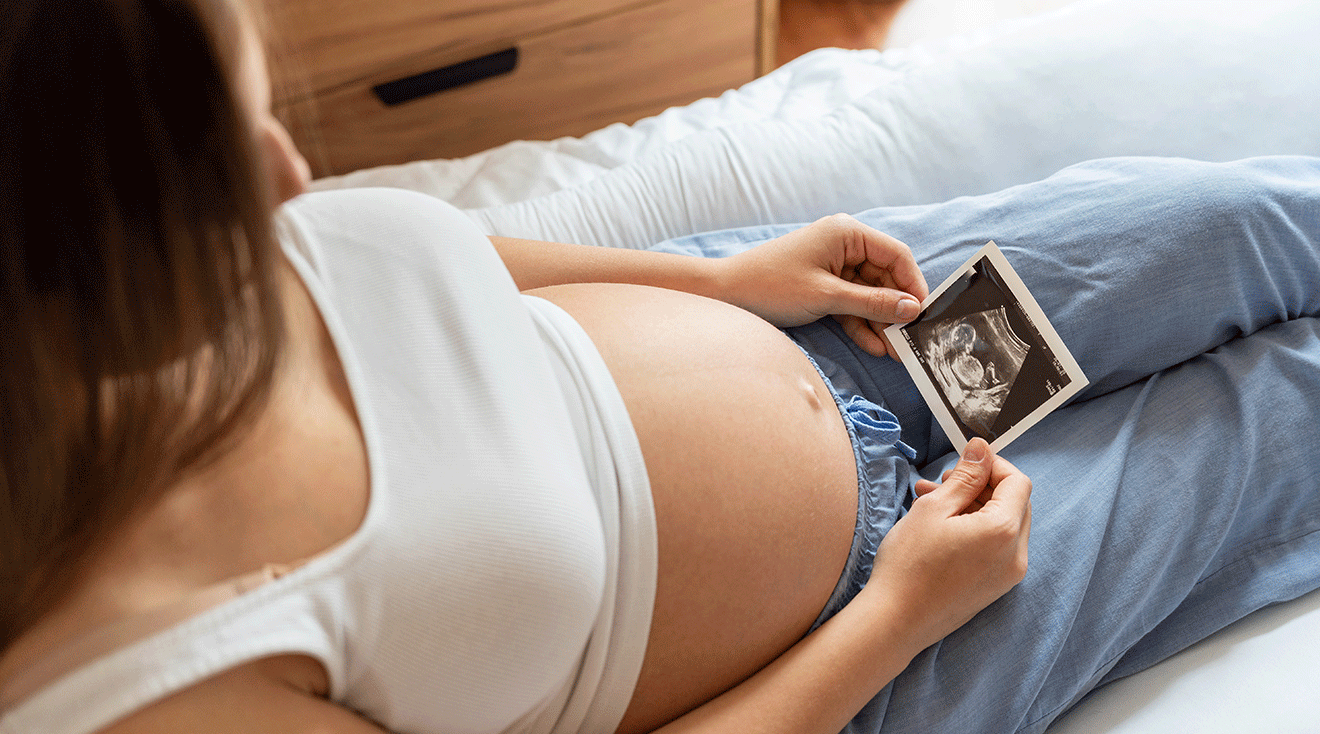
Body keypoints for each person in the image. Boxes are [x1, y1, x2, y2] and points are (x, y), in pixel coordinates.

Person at [1, 2, 1318, 734]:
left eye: (263, 119)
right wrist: (902, 609)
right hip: (859, 644)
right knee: (1278, 417)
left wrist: (721, 279)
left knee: (1229, 221)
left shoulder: (152, 288)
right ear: (73, 265)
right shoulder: (143, 694)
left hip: (816, 334)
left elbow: (420, 266)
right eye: (231, 171)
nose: (292, 180)